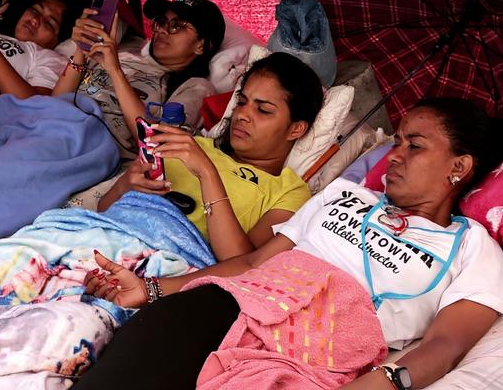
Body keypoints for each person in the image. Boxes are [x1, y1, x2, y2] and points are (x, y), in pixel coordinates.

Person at [77, 97, 503, 389]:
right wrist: (151, 290)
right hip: (230, 305)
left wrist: (381, 382)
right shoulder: (344, 194)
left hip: (318, 356)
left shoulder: (473, 248)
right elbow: (253, 263)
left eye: (415, 145)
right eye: (395, 142)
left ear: (459, 166)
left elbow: (445, 346)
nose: (393, 155)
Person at [97, 52, 323, 252]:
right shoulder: (192, 146)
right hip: (109, 235)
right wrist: (125, 184)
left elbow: (241, 264)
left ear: (296, 128)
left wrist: (207, 172)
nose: (242, 115)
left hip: (165, 262)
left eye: (263, 110)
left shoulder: (289, 192)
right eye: (242, 102)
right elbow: (103, 209)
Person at [53, 0, 225, 158]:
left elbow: (156, 142)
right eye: (161, 22)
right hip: (53, 123)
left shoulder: (197, 86)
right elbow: (55, 102)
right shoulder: (121, 53)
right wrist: (81, 50)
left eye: (176, 26)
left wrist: (115, 71)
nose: (163, 30)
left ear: (201, 46)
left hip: (89, 144)